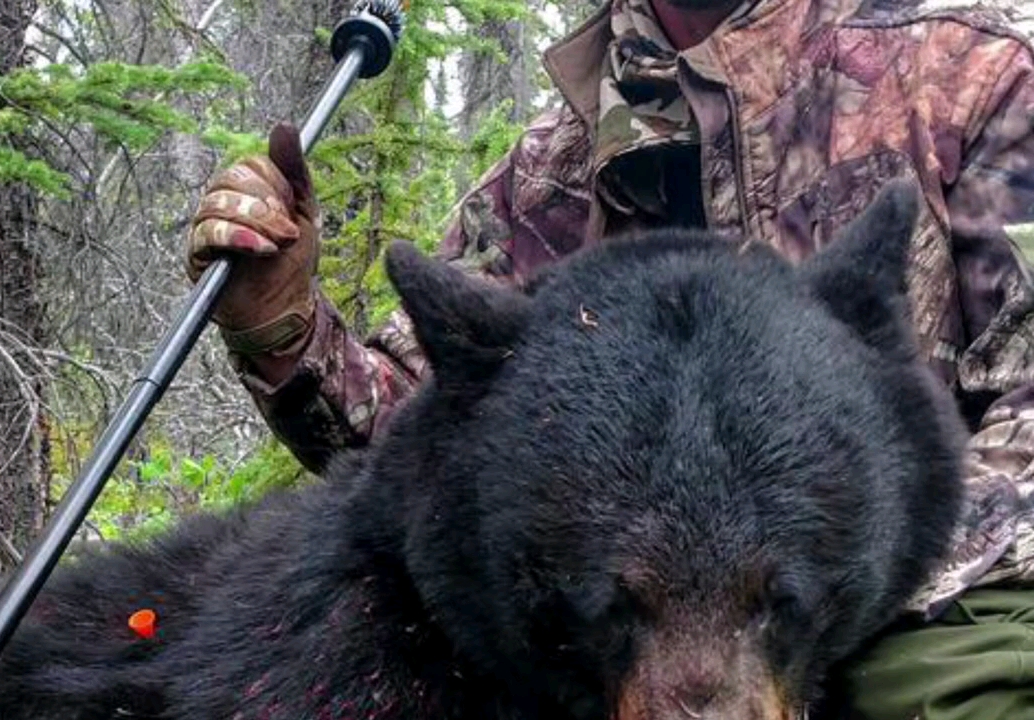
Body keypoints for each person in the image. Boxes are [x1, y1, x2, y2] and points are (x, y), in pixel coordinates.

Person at [185, 0, 1034, 716]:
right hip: (649, 626)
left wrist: (856, 570)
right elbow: (434, 437)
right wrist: (281, 320)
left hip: (937, 592)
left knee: (932, 693)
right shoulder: (555, 166)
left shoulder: (972, 76)